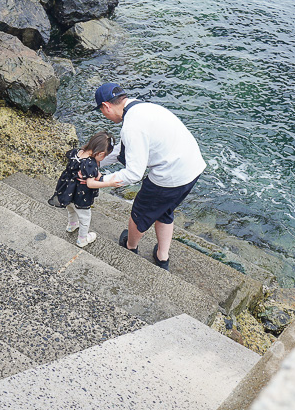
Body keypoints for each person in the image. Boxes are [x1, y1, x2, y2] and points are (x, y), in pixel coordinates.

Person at [81, 83, 205, 271]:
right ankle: (162, 257)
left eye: (102, 111)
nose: (104, 115)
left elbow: (134, 174)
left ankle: (130, 247)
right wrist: (90, 161)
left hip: (170, 176)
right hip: (192, 168)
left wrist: (99, 181)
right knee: (164, 210)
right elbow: (122, 151)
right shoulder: (142, 108)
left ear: (106, 106)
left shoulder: (131, 127)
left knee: (140, 213)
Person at [48, 131, 114, 248]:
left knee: (71, 209)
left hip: (66, 191)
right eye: (105, 155)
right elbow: (90, 183)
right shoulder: (90, 163)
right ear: (101, 153)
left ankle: (71, 225)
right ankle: (82, 239)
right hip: (80, 196)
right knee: (85, 218)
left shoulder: (77, 152)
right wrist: (108, 183)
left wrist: (96, 173)